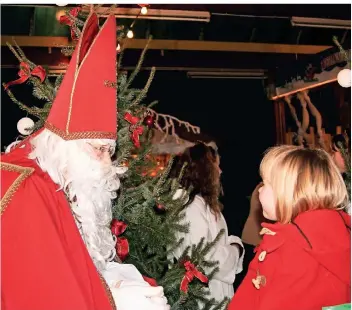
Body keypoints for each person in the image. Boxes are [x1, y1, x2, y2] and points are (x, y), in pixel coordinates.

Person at [1, 12, 169, 310]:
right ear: (66, 145)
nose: (107, 164)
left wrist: (115, 281)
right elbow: (42, 295)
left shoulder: (60, 180)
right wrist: (114, 301)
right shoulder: (28, 191)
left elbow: (73, 268)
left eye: (109, 151)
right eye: (98, 150)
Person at [228, 145, 351, 310]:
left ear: (288, 192)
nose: (259, 191)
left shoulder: (288, 245)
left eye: (265, 184)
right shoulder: (339, 230)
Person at [170, 143, 244, 303]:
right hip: (205, 296)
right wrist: (236, 249)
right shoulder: (192, 207)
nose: (220, 171)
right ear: (206, 170)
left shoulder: (199, 204)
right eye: (217, 166)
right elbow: (204, 256)